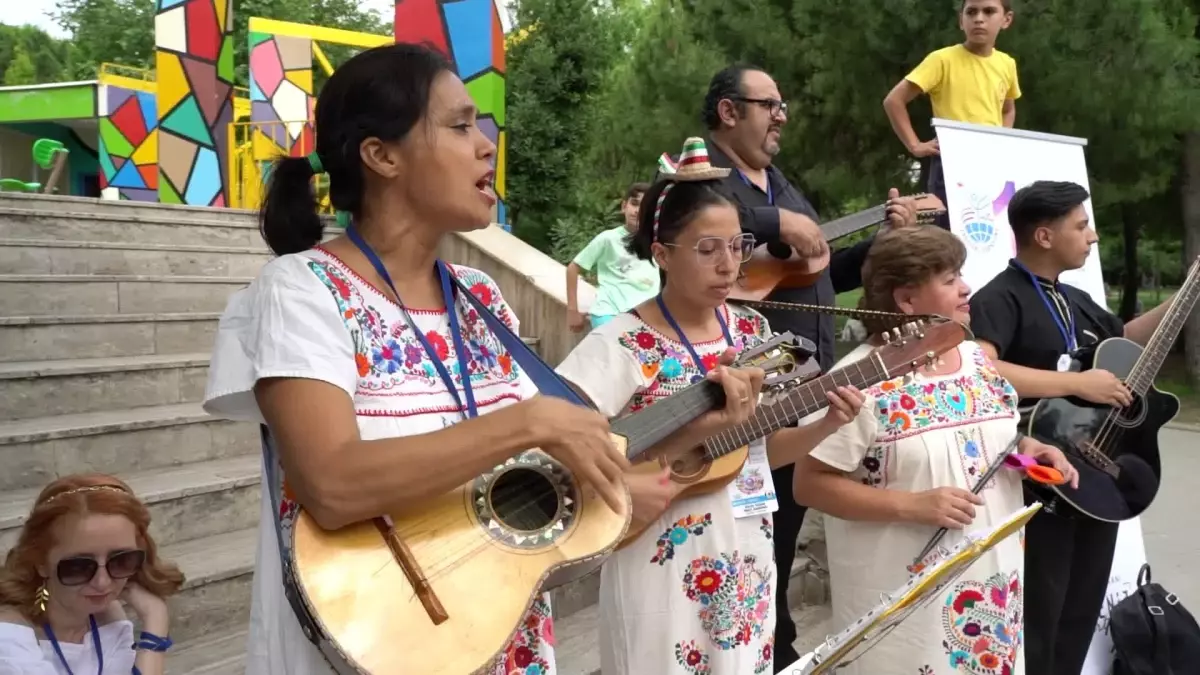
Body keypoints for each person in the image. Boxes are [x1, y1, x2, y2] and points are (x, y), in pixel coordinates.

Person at [202, 43, 732, 675]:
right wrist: (530, 421)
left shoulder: (479, 296)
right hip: (375, 645)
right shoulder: (301, 290)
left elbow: (496, 492)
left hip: (500, 636)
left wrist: (615, 492)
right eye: (458, 126)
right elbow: (332, 484)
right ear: (382, 155)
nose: (487, 145)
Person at [557, 138, 866, 675]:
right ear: (661, 254)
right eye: (707, 249)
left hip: (746, 552)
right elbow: (565, 450)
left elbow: (758, 452)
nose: (728, 265)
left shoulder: (754, 331)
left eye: (737, 246)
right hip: (658, 556)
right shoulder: (622, 343)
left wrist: (829, 423)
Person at [694, 64, 919, 670]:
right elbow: (672, 215)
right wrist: (769, 223)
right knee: (736, 539)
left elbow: (819, 274)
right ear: (729, 111)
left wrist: (879, 245)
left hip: (800, 385)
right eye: (770, 104)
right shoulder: (701, 173)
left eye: (783, 105)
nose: (783, 116)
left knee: (781, 538)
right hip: (736, 388)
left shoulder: (785, 186)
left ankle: (772, 649)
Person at [793, 225, 1077, 675]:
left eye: (960, 274)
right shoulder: (860, 378)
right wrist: (911, 505)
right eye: (949, 280)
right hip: (902, 606)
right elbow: (810, 485)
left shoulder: (974, 358)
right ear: (906, 300)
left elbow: (992, 441)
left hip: (992, 592)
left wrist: (1030, 451)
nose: (966, 288)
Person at [968, 181, 1186, 675]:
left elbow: (1124, 339)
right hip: (1036, 475)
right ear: (1044, 236)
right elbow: (981, 368)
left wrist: (1185, 296)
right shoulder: (999, 297)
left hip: (1096, 480)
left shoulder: (1077, 298)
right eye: (1081, 225)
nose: (1092, 236)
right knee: (1037, 618)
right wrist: (1076, 383)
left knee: (1078, 618)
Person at [0, 474, 183, 675]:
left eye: (122, 560)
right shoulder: (9, 639)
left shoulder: (102, 613)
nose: (103, 582)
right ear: (40, 562)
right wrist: (155, 626)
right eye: (78, 566)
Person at [883, 0, 1019, 229]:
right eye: (971, 12)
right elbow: (894, 101)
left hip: (990, 163)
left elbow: (1008, 108)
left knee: (989, 230)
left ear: (1006, 20)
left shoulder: (1007, 64)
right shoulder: (942, 59)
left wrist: (1002, 139)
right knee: (947, 233)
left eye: (988, 11)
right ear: (961, 21)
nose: (979, 18)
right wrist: (915, 145)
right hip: (950, 163)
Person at [566, 182, 660, 332]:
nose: (637, 211)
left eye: (644, 207)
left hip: (645, 317)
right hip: (608, 313)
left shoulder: (657, 244)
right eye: (634, 204)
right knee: (621, 351)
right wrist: (572, 311)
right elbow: (572, 268)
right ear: (624, 206)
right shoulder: (608, 239)